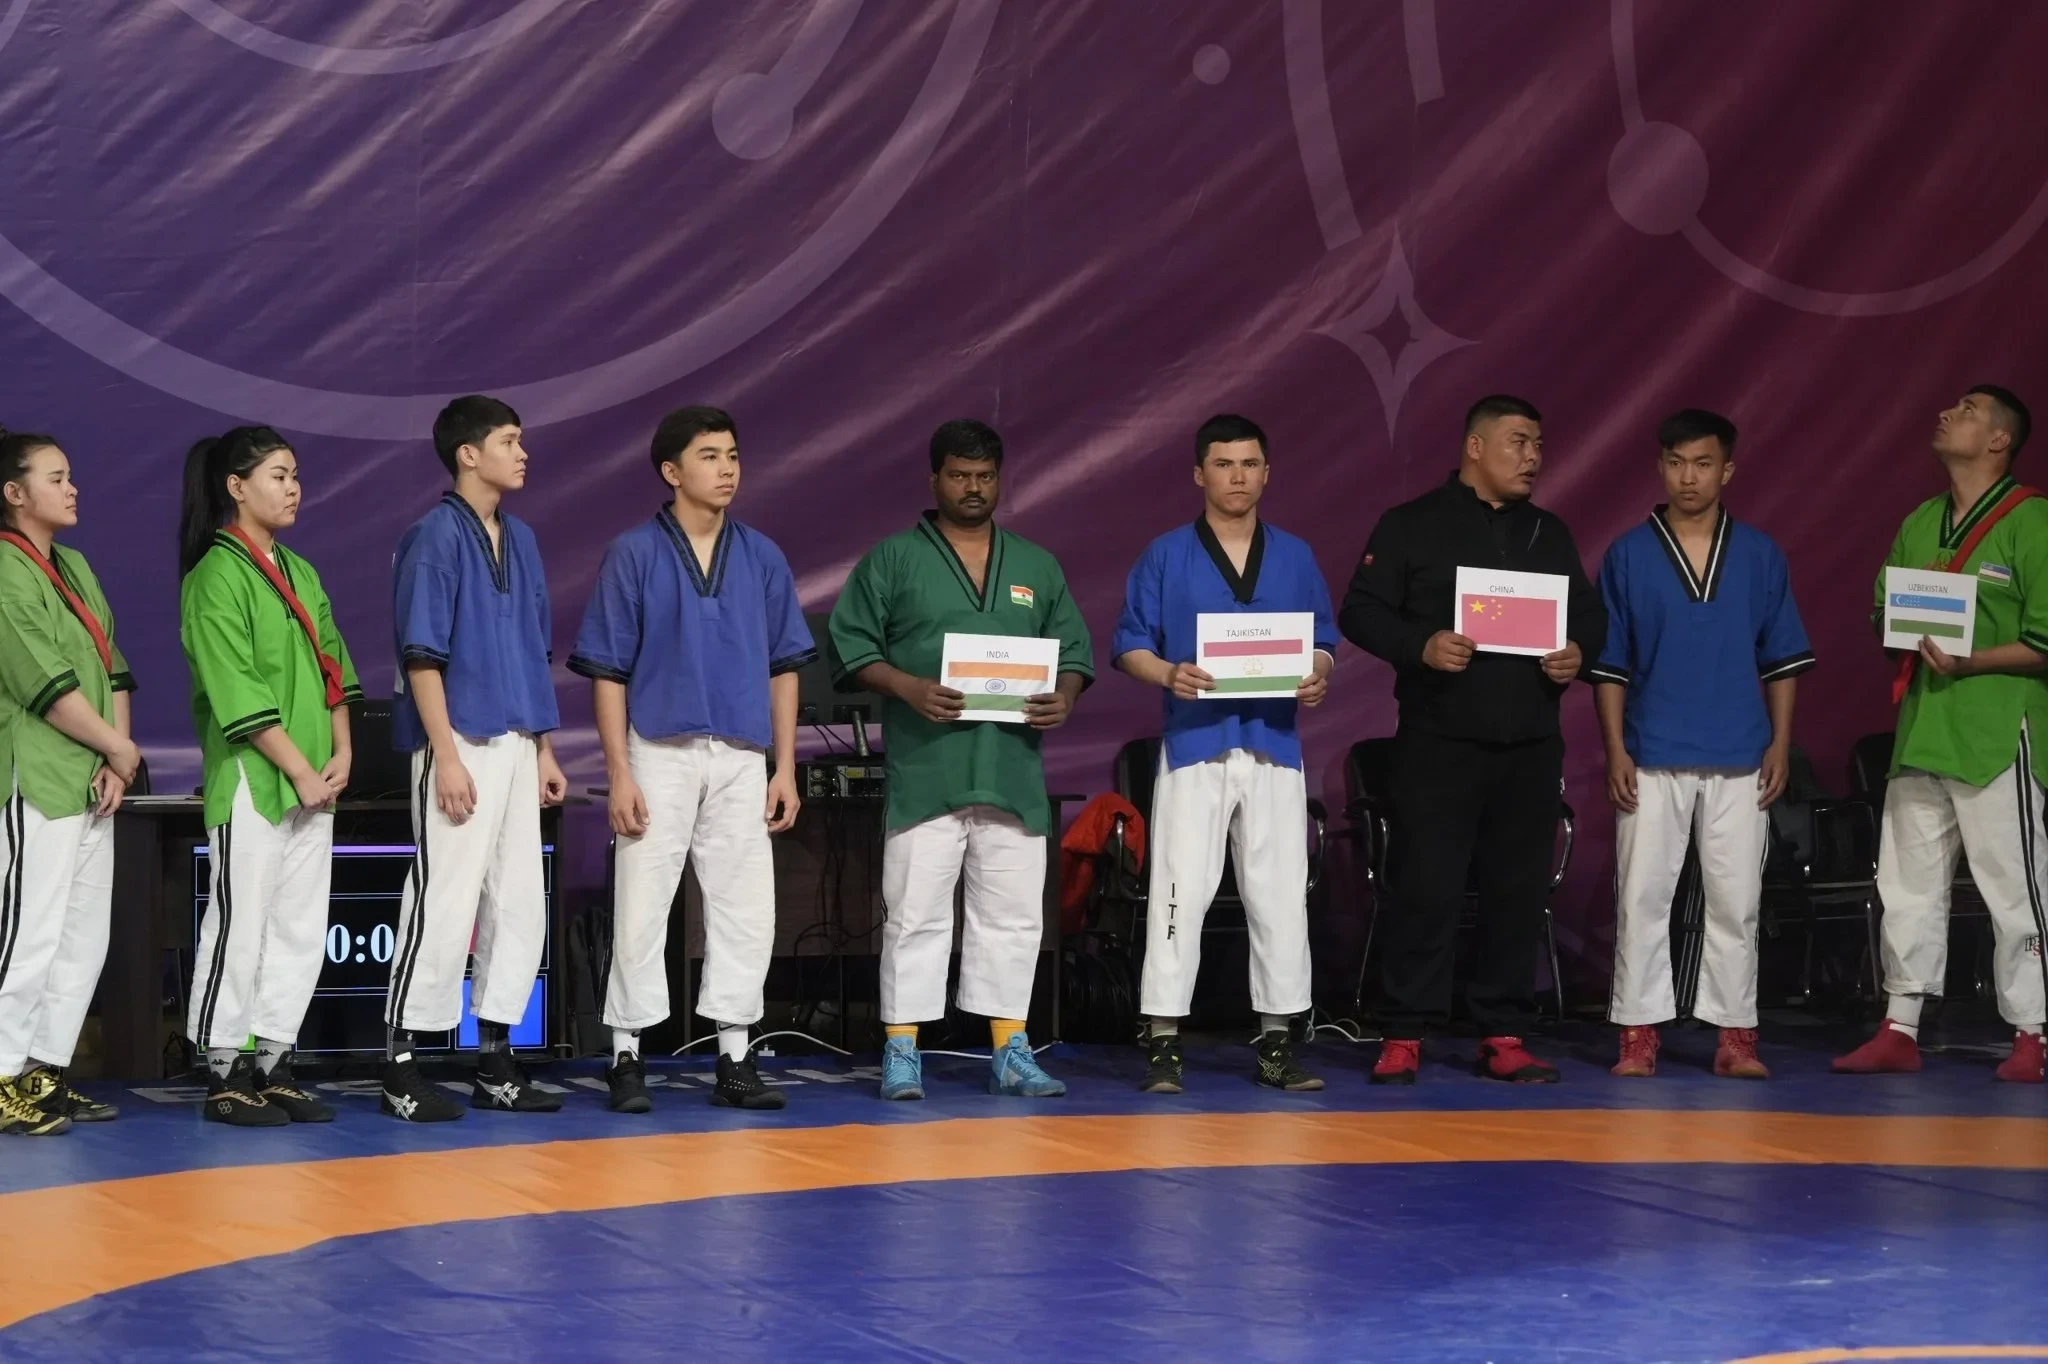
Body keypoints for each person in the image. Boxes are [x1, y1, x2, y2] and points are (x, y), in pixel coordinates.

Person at [1339, 394, 1605, 1083]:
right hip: (1439, 742)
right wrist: (1420, 645)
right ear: (1476, 448)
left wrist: (1577, 652)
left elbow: (1590, 618)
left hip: (1530, 744)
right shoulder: (1410, 525)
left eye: (1539, 445)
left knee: (1517, 892)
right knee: (1426, 887)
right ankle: (1404, 1032)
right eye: (1519, 442)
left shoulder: (1548, 532)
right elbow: (1360, 611)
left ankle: (1504, 1031)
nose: (1533, 457)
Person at [829, 419, 1092, 1101]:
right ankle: (901, 1048)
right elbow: (852, 647)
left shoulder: (1036, 565)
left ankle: (1011, 1048)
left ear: (999, 480)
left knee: (1013, 917)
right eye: (959, 475)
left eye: (984, 476)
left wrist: (1064, 696)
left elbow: (1073, 653)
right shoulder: (893, 559)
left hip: (1011, 768)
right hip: (929, 768)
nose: (973, 488)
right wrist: (908, 687)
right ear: (934, 480)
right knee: (915, 915)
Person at [570, 406, 813, 1113]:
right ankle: (626, 1053)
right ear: (671, 471)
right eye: (710, 456)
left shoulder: (762, 555)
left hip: (741, 753)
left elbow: (785, 667)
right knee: (642, 904)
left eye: (733, 454)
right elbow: (608, 671)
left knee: (745, 909)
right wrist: (619, 772)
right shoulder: (634, 553)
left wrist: (785, 766)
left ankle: (735, 1054)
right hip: (659, 750)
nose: (727, 468)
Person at [1112, 414, 1338, 1094]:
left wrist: (1318, 673)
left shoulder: (1295, 555)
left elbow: (1323, 640)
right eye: (1223, 463)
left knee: (1280, 895)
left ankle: (1278, 1041)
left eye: (1249, 463)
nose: (1237, 476)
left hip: (1274, 743)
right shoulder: (1165, 555)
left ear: (1267, 472)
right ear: (1198, 473)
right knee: (1179, 892)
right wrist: (1168, 674)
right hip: (1195, 744)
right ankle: (1163, 1040)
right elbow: (1129, 643)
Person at [1590, 409, 1813, 1079]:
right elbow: (1609, 665)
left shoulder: (1760, 554)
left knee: (1737, 901)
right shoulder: (1628, 554)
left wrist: (1780, 743)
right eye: (1677, 462)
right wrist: (1615, 749)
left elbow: (1782, 660)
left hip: (1741, 751)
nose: (1689, 477)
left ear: (1728, 470)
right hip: (1651, 749)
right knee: (1642, 897)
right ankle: (1638, 1032)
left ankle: (1735, 1033)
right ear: (1660, 467)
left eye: (1704, 463)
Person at [1835, 386, 2047, 1084]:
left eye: (1969, 409)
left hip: (1996, 732)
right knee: (1908, 884)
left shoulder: (2033, 520)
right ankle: (1900, 1025)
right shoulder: (1922, 520)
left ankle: (2033, 1032)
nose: (1948, 413)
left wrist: (1971, 660)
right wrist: (1903, 620)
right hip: (1925, 727)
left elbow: (2045, 639)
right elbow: (1883, 615)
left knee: (2014, 885)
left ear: (1999, 440)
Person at [381, 396, 568, 1122]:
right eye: (509, 441)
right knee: (443, 897)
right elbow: (421, 656)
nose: (523, 454)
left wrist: (545, 748)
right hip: (459, 739)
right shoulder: (432, 538)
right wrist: (446, 755)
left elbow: (533, 649)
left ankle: (495, 1059)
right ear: (469, 453)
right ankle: (399, 1064)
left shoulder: (522, 539)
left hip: (517, 740)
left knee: (518, 901)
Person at [179, 426, 363, 1126]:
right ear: (237, 486)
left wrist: (343, 750)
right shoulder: (214, 576)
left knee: (299, 925)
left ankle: (274, 1059)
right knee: (241, 921)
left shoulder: (300, 572)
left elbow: (334, 667)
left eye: (295, 476)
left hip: (315, 777)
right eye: (278, 476)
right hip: (254, 778)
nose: (293, 488)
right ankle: (224, 1066)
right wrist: (301, 770)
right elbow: (238, 692)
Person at [0, 429, 139, 1136]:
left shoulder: (74, 566)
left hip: (91, 776)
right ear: (14, 493)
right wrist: (116, 747)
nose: (71, 487)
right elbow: (44, 686)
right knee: (27, 934)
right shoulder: (5, 567)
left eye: (70, 475)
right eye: (55, 478)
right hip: (37, 774)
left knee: (81, 937)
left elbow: (112, 668)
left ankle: (42, 1071)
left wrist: (116, 759)